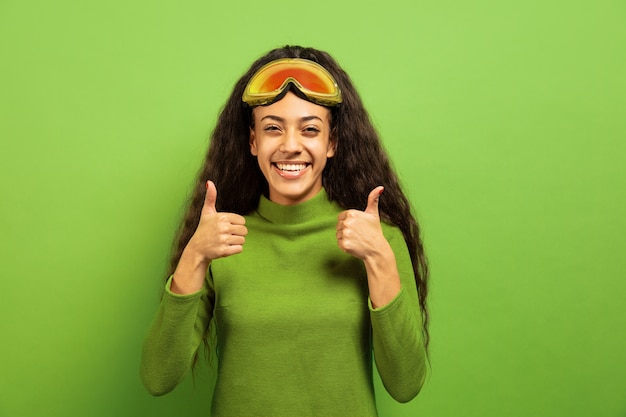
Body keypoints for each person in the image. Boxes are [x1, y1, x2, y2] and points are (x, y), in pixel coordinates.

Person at [140, 45, 429, 417]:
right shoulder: (220, 239)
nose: (290, 146)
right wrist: (194, 256)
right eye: (273, 128)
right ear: (252, 141)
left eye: (310, 129)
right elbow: (157, 378)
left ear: (332, 143)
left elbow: (406, 385)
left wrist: (379, 260)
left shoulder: (376, 239)